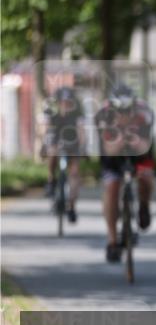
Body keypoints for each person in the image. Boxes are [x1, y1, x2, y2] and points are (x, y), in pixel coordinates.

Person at [95, 84, 156, 262]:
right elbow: (110, 149)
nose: (123, 116)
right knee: (112, 187)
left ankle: (144, 206)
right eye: (120, 112)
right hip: (113, 157)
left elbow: (145, 146)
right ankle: (112, 241)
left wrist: (135, 141)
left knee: (146, 175)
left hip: (139, 155)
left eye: (127, 111)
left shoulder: (143, 116)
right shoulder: (105, 118)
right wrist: (121, 140)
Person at [42, 86, 86, 223]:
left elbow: (81, 131)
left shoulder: (77, 113)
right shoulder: (51, 112)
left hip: (72, 143)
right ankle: (51, 180)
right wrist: (43, 145)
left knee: (74, 174)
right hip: (55, 140)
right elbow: (45, 129)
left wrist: (83, 147)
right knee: (52, 153)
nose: (65, 105)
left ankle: (72, 206)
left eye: (68, 102)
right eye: (62, 102)